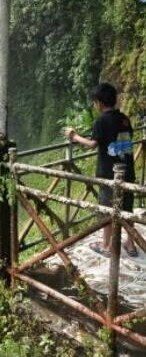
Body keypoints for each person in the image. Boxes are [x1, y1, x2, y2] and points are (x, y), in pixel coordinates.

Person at [65, 82, 138, 258]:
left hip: (109, 175)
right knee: (127, 208)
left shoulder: (101, 121)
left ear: (99, 102)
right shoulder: (124, 118)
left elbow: (92, 144)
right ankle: (131, 244)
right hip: (127, 171)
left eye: (95, 102)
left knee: (106, 210)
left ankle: (107, 246)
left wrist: (74, 137)